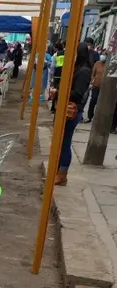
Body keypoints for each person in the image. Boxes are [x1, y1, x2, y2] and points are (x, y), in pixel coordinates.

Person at [56, 43, 92, 187]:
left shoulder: (83, 71)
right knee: (61, 142)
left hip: (72, 111)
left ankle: (62, 174)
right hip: (66, 109)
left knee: (65, 142)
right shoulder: (76, 68)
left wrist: (60, 92)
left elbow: (78, 93)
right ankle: (58, 171)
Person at [88, 53, 105, 122]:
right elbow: (93, 73)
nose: (103, 56)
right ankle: (90, 116)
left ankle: (99, 118)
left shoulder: (108, 65)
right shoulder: (97, 63)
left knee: (101, 103)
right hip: (95, 86)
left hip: (104, 88)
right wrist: (92, 82)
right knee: (93, 100)